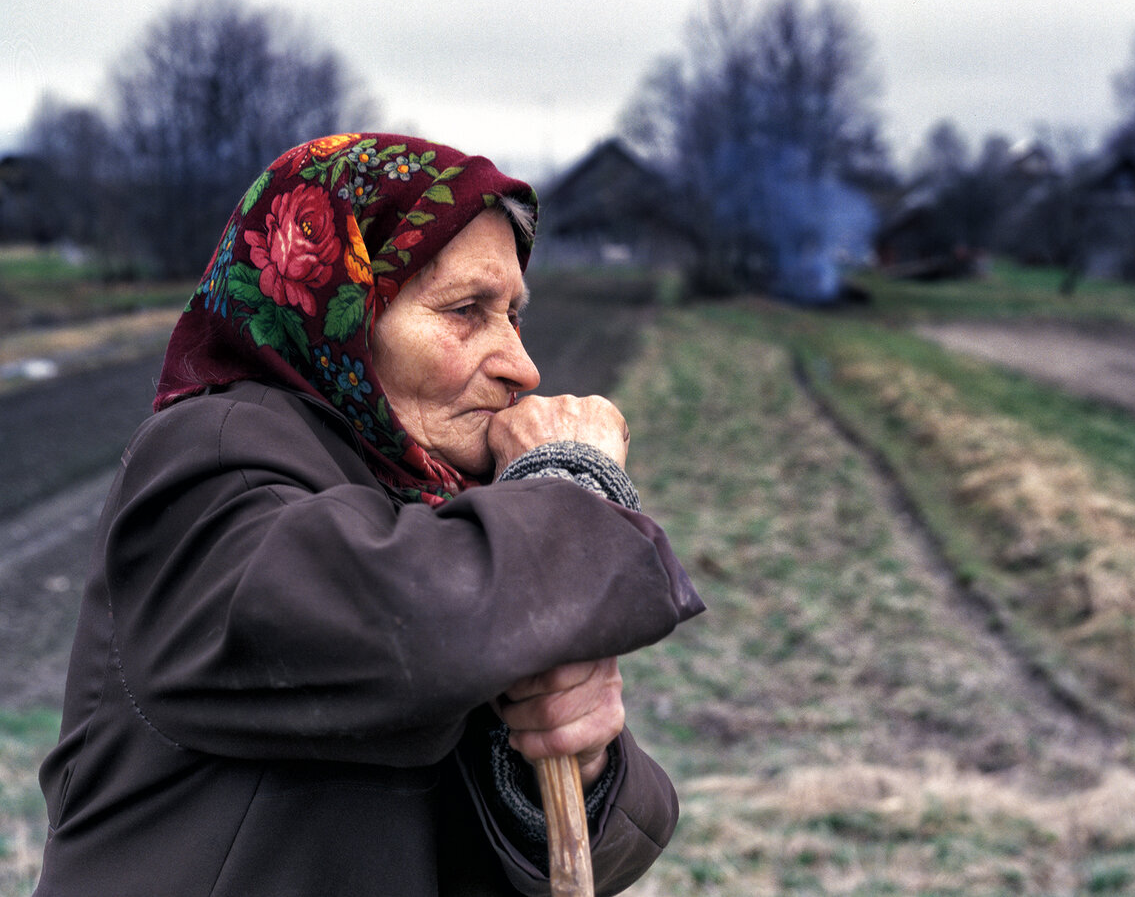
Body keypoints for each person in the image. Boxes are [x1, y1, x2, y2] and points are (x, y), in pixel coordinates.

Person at [33, 133, 703, 896]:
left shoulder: (440, 508)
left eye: (512, 315)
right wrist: (568, 490)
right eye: (466, 311)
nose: (523, 365)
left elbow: (612, 848)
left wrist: (577, 760)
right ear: (338, 307)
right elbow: (404, 631)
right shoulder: (207, 458)